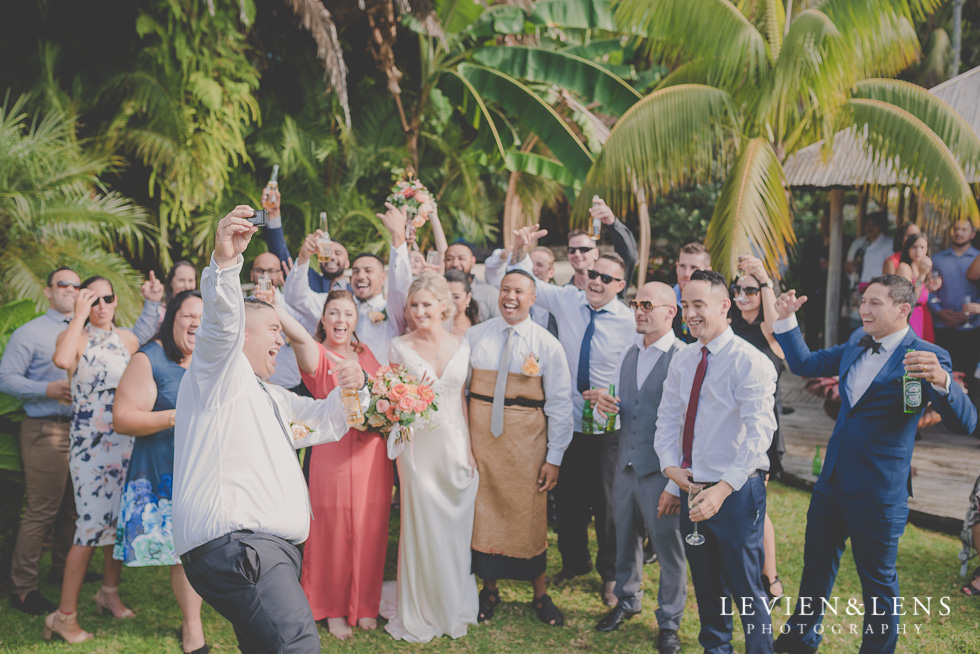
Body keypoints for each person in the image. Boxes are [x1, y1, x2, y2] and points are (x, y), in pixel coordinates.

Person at [172, 206, 367, 654]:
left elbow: (328, 420)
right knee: (298, 647)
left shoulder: (272, 397)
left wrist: (353, 388)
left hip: (261, 553)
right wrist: (225, 263)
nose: (282, 340)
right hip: (243, 549)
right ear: (244, 335)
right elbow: (221, 325)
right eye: (275, 330)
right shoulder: (220, 373)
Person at [770, 275, 977, 654]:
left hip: (879, 493)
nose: (864, 309)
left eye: (875, 303)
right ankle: (801, 640)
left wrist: (945, 381)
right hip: (831, 483)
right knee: (815, 567)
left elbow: (965, 424)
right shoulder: (855, 340)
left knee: (878, 584)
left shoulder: (926, 355)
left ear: (903, 309)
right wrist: (785, 321)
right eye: (863, 300)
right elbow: (806, 363)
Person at [508, 226, 635, 606]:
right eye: (593, 274)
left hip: (608, 425)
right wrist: (520, 248)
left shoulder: (629, 321)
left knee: (609, 502)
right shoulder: (566, 300)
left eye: (605, 278)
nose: (595, 282)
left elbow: (640, 371)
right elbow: (523, 279)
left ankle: (610, 574)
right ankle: (575, 562)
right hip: (567, 418)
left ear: (620, 285)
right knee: (568, 498)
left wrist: (618, 400)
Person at [656, 269, 778, 654]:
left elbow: (760, 435)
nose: (689, 314)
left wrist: (723, 489)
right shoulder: (683, 358)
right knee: (707, 587)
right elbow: (668, 418)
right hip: (692, 488)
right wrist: (669, 468)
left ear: (724, 306)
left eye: (698, 305)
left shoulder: (750, 362)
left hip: (736, 491)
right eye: (685, 305)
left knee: (746, 589)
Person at [465, 268, 573, 628]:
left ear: (533, 299)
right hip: (482, 446)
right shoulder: (475, 337)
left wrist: (553, 458)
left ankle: (540, 594)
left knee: (529, 520)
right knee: (484, 518)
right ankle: (489, 589)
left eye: (519, 291)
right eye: (505, 289)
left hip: (527, 448)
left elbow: (560, 404)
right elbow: (460, 392)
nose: (510, 297)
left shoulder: (547, 345)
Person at [282, 288, 392, 640]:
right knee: (331, 530)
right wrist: (275, 308)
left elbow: (385, 397)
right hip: (331, 452)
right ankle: (330, 607)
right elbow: (298, 337)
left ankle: (363, 604)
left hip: (372, 453)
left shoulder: (366, 353)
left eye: (347, 313)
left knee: (369, 526)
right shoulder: (318, 356)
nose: (341, 320)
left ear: (356, 319)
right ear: (323, 319)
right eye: (333, 313)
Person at [592, 282, 686, 654]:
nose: (639, 311)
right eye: (635, 304)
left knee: (668, 547)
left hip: (663, 474)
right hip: (625, 466)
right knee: (624, 536)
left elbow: (685, 426)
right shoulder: (628, 354)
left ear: (670, 311)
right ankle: (627, 601)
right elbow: (621, 407)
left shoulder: (683, 357)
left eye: (647, 304)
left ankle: (669, 622)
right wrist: (605, 409)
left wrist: (676, 484)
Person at [384, 273, 480, 643]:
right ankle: (422, 607)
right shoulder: (399, 346)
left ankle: (452, 602)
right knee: (422, 527)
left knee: (455, 528)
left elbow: (462, 400)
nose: (420, 311)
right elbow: (392, 401)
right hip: (416, 449)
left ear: (444, 305)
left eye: (427, 304)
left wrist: (470, 449)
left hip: (455, 445)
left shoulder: (463, 344)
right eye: (414, 305)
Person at [46, 277, 141, 643]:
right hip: (89, 446)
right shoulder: (76, 338)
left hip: (126, 441)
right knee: (89, 526)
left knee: (116, 522)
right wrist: (78, 315)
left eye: (107, 298)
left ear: (116, 300)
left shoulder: (130, 341)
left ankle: (109, 593)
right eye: (93, 299)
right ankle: (64, 616)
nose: (102, 305)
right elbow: (62, 360)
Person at [112, 290, 208, 654]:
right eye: (189, 316)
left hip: (205, 470)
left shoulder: (211, 359)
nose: (197, 322)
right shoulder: (149, 358)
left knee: (200, 546)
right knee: (184, 553)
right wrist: (175, 415)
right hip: (163, 470)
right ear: (172, 319)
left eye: (204, 315)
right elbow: (123, 418)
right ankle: (192, 627)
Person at [1, 268, 82, 615]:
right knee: (42, 511)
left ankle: (64, 570)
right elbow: (5, 378)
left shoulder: (88, 329)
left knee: (73, 509)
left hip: (82, 431)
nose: (70, 289)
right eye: (63, 283)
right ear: (48, 291)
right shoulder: (29, 332)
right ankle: (23, 588)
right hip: (44, 428)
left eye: (77, 285)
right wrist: (44, 389)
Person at [284, 203, 411, 366]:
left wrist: (398, 237)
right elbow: (295, 298)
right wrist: (304, 257)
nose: (360, 276)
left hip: (382, 385)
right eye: (356, 271)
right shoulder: (336, 307)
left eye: (368, 271)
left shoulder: (393, 310)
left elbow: (400, 286)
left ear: (383, 278)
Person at [728, 256, 786, 609]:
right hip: (728, 427)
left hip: (761, 429)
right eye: (738, 289)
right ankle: (744, 574)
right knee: (738, 503)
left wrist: (764, 280)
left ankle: (770, 577)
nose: (743, 294)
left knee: (755, 507)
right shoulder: (729, 330)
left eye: (750, 290)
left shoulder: (770, 331)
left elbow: (776, 321)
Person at [261, 184, 350, 292]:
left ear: (347, 263)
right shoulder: (306, 279)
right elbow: (280, 254)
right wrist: (274, 214)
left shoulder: (357, 292)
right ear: (320, 260)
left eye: (338, 253)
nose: (331, 256)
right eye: (326, 252)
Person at [249, 251, 309, 392]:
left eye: (271, 271)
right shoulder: (243, 308)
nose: (265, 276)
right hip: (254, 385)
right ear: (252, 275)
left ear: (280, 275)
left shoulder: (293, 307)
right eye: (260, 271)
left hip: (291, 385)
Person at [933, 220, 980, 389]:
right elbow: (931, 292)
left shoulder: (977, 259)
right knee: (944, 376)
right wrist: (938, 311)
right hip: (943, 326)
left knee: (969, 377)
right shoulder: (937, 259)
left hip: (972, 326)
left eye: (964, 229)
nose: (959, 232)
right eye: (956, 228)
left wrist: (974, 311)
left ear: (972, 234)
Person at [484, 245, 559, 336]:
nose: (533, 268)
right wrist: (503, 256)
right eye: (530, 263)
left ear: (551, 272)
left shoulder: (557, 299)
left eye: (539, 265)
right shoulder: (511, 290)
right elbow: (493, 275)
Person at [845, 211, 892, 330]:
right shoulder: (859, 243)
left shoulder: (888, 244)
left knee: (872, 323)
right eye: (868, 224)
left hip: (876, 289)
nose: (870, 228)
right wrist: (849, 269)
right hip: (856, 290)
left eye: (874, 225)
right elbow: (849, 264)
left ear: (880, 226)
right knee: (855, 325)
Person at [895, 233, 937, 342]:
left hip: (924, 314)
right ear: (908, 248)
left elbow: (924, 295)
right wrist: (921, 276)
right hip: (911, 315)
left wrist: (931, 287)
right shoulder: (904, 267)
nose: (918, 251)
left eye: (922, 247)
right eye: (914, 247)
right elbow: (911, 298)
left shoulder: (924, 267)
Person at [444, 242, 501, 320]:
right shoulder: (436, 291)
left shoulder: (490, 294)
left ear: (472, 261)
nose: (455, 263)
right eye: (449, 259)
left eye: (461, 258)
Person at [671, 243, 711, 343]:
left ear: (707, 271)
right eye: (682, 266)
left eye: (694, 268)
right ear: (676, 267)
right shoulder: (663, 297)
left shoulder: (714, 303)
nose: (686, 273)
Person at [445, 269, 480, 336]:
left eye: (456, 297)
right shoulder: (430, 326)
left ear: (468, 298)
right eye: (446, 296)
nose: (450, 301)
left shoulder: (477, 330)